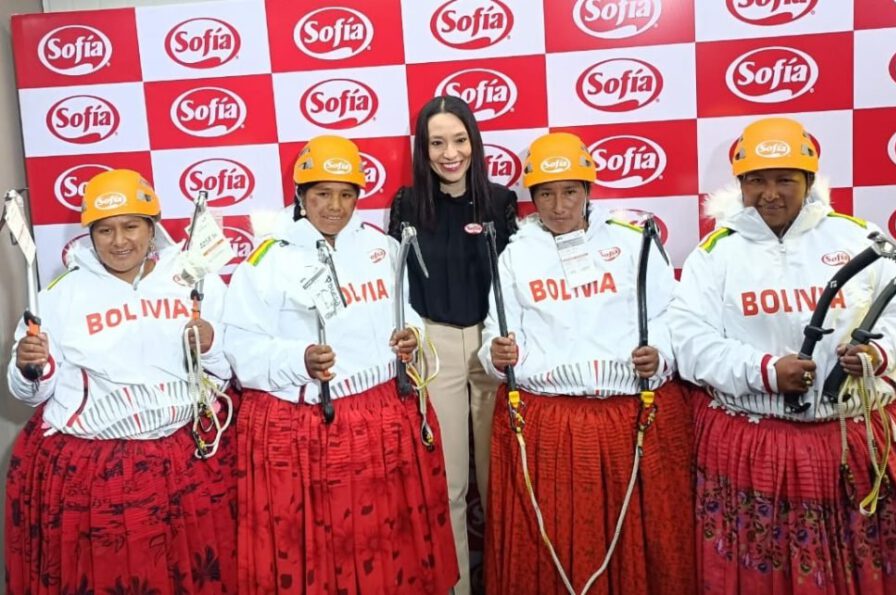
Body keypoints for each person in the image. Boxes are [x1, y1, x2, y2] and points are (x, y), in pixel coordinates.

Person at [668, 116, 896, 594]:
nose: (770, 194)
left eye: (784, 179)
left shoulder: (857, 236)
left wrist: (878, 352)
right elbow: (689, 342)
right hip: (761, 446)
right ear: (740, 185)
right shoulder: (715, 254)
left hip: (865, 435)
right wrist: (765, 372)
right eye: (756, 181)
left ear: (808, 181)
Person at [224, 134, 458, 594]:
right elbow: (240, 349)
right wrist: (299, 359)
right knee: (328, 554)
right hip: (315, 427)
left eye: (346, 194)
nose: (335, 206)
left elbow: (408, 314)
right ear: (300, 196)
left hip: (384, 418)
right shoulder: (266, 262)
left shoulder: (381, 248)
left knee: (389, 548)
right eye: (322, 194)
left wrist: (411, 336)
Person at [478, 132, 695, 594]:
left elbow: (670, 316)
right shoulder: (515, 256)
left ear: (589, 191)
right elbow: (494, 335)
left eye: (570, 191)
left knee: (638, 541)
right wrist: (496, 357)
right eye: (546, 194)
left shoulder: (634, 243)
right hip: (548, 420)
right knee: (553, 540)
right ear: (532, 198)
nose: (559, 206)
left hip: (629, 414)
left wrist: (659, 353)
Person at [5, 169, 236, 593]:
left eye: (132, 226)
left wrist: (210, 342)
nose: (120, 241)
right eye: (105, 230)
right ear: (90, 235)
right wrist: (28, 367)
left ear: (153, 227)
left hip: (183, 460)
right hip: (96, 469)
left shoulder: (192, 280)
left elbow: (225, 369)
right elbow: (29, 394)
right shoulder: (60, 296)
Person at [388, 95, 518, 594]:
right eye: (437, 142)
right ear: (423, 148)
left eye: (459, 140)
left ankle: (509, 581)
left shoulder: (500, 202)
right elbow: (396, 283)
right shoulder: (406, 203)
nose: (450, 153)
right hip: (434, 345)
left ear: (474, 142)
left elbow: (516, 282)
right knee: (450, 488)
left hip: (492, 347)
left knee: (498, 486)